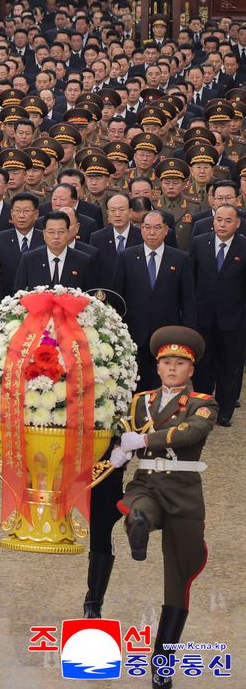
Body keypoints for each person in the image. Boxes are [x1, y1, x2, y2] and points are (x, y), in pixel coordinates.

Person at [116, 326, 217, 689]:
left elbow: (190, 433)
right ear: (157, 367)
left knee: (181, 577)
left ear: (191, 369)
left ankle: (163, 661)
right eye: (166, 362)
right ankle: (138, 525)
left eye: (180, 363)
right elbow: (116, 430)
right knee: (138, 508)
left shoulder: (204, 403)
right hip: (147, 482)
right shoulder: (139, 401)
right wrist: (116, 450)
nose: (172, 368)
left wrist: (143, 438)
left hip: (184, 490)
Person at [112, 211, 196, 390]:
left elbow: (188, 301)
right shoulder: (126, 257)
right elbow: (117, 298)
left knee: (164, 384)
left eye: (157, 228)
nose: (151, 232)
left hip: (167, 334)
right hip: (134, 333)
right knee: (135, 383)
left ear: (166, 230)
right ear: (141, 229)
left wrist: (187, 335)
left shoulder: (180, 259)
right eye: (147, 227)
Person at [190, 203, 246, 426]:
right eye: (219, 219)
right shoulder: (199, 242)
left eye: (228, 221)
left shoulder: (243, 247)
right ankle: (203, 408)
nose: (222, 224)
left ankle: (225, 411)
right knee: (203, 366)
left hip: (234, 320)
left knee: (230, 367)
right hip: (203, 318)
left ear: (237, 224)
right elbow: (191, 279)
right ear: (213, 221)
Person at [12, 210, 96, 291]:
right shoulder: (29, 260)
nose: (56, 236)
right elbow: (19, 292)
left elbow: (91, 293)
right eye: (51, 232)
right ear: (44, 234)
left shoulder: (83, 261)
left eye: (61, 232)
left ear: (68, 233)